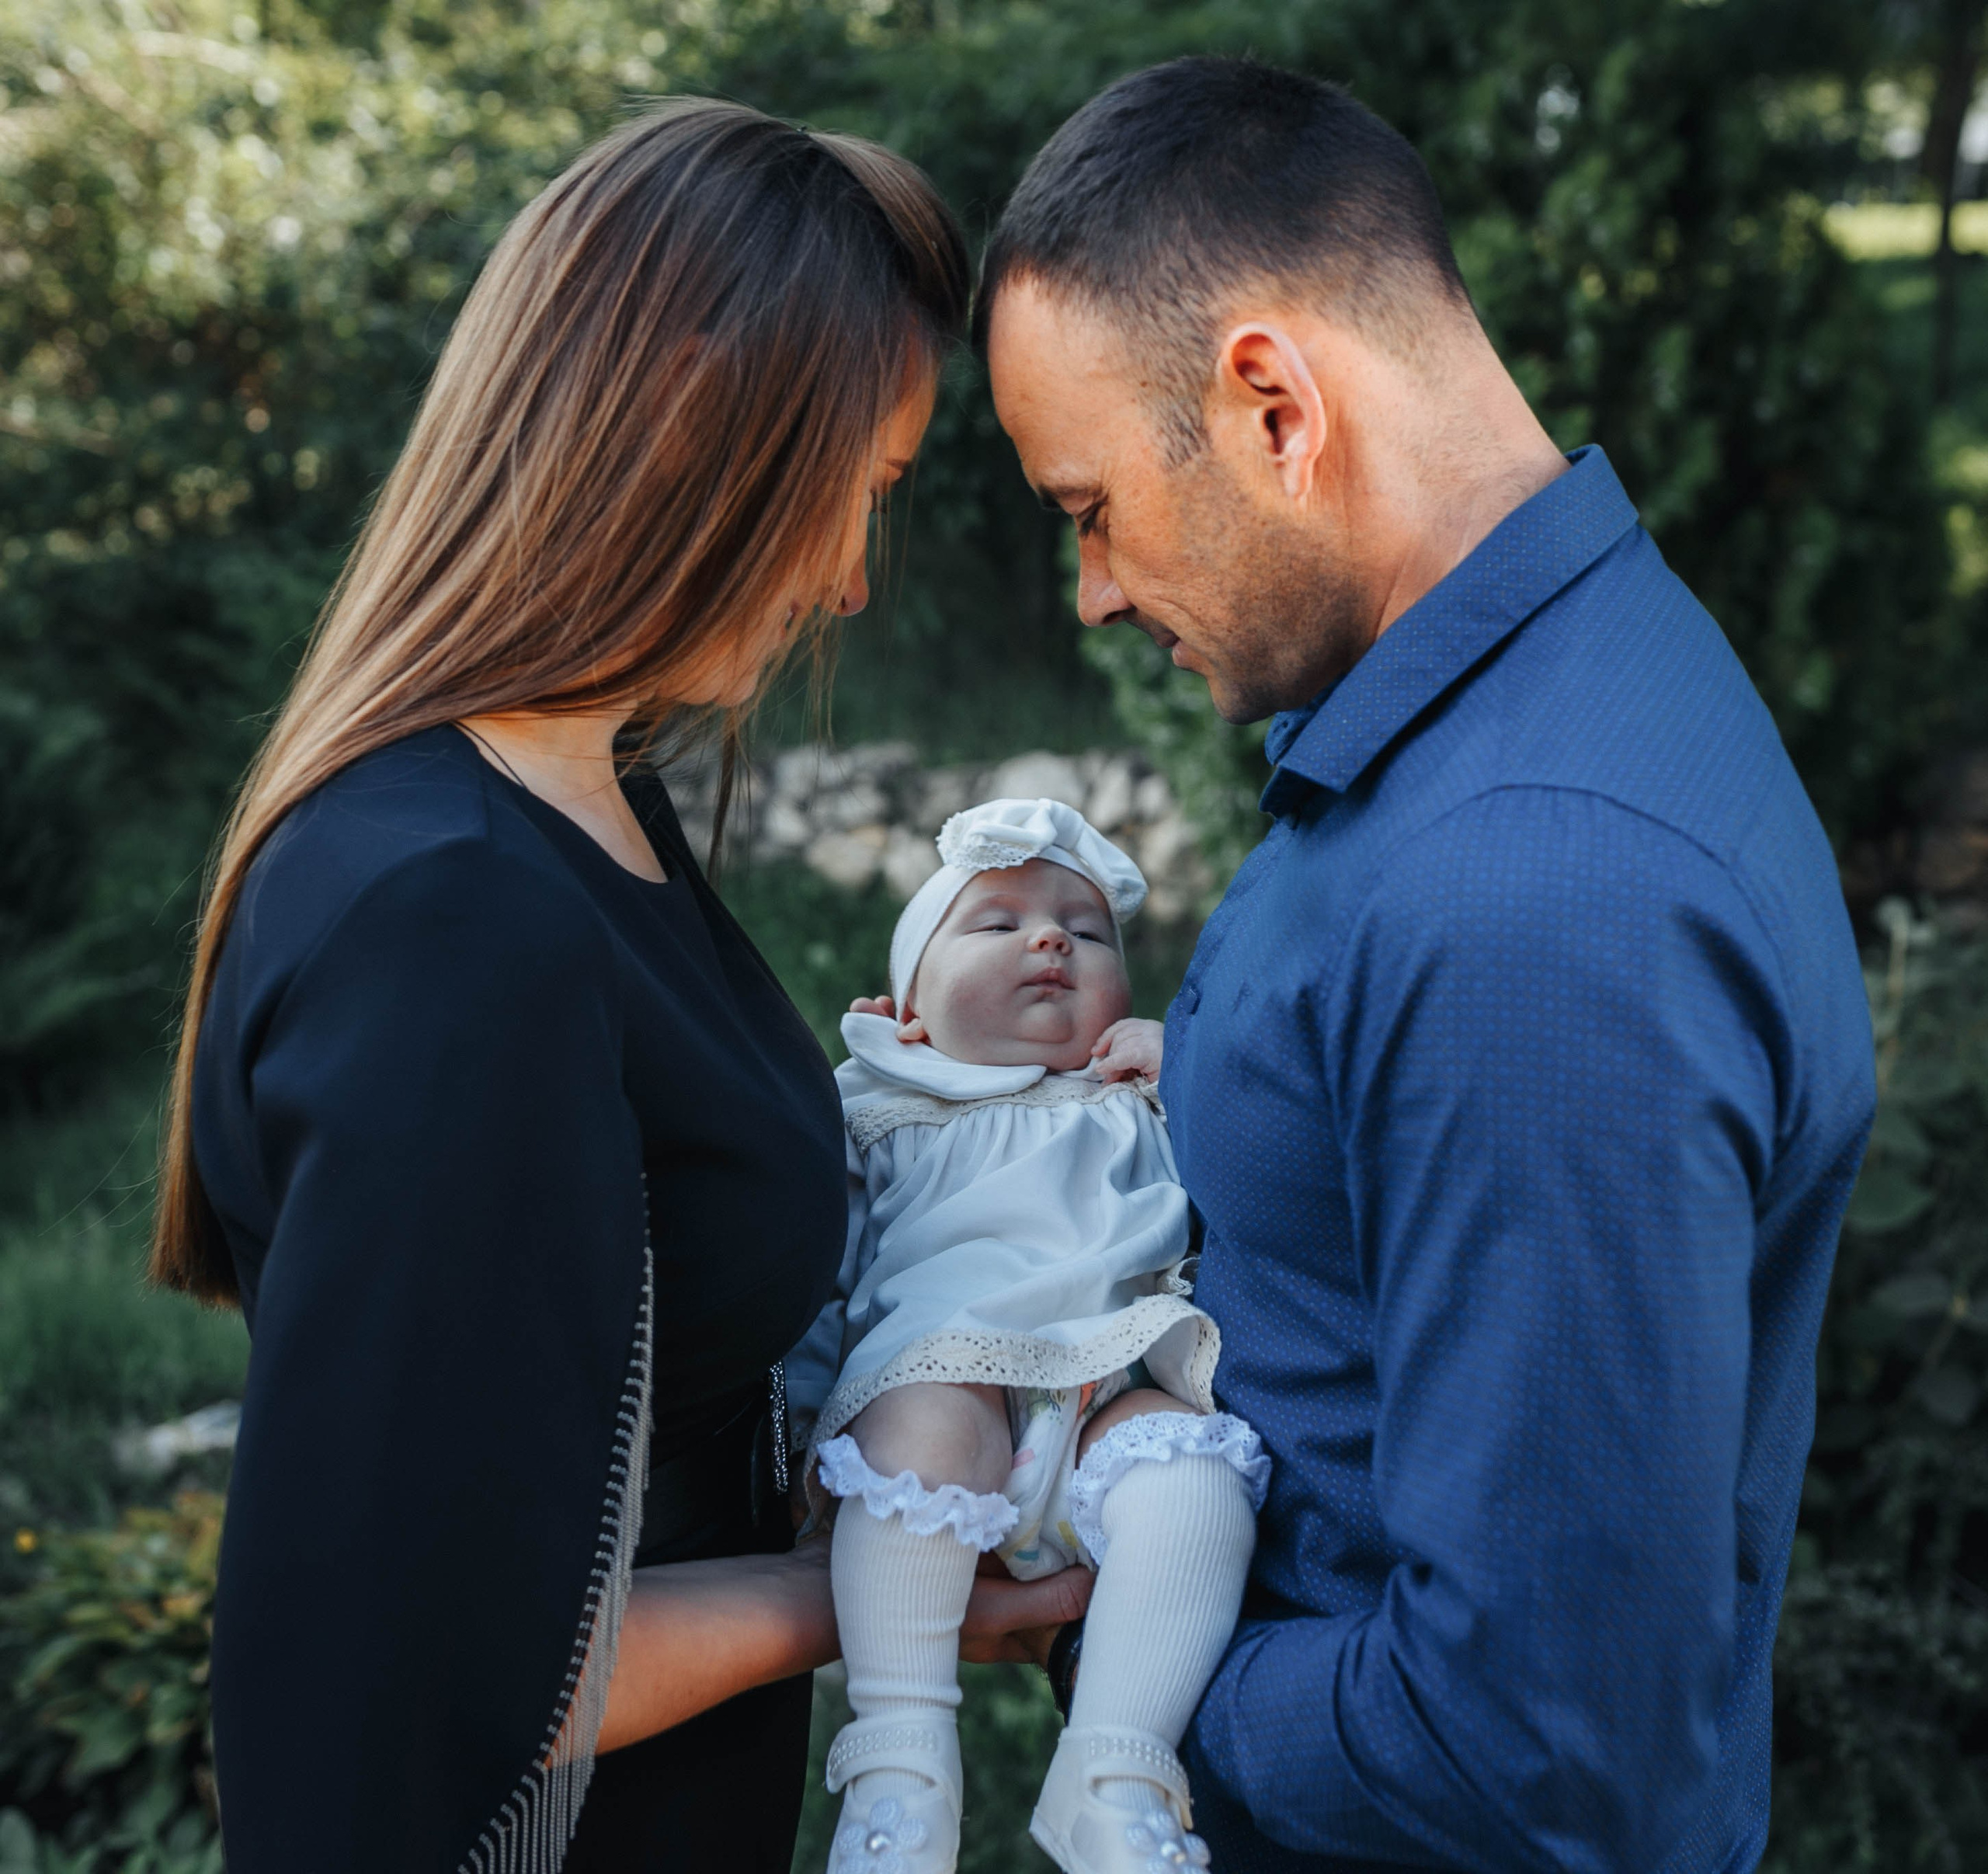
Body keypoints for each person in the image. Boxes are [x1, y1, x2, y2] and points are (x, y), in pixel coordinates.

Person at [149, 99, 1084, 1874]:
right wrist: (879, 1594)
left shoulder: (579, 802)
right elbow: (455, 1674)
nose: (849, 575)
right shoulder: (448, 912)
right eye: (855, 489)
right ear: (688, 417)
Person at [971, 55, 1877, 1874]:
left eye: (1084, 510)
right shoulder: (1516, 700)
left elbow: (1536, 1752)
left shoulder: (1535, 890)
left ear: (1271, 407)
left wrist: (1118, 1658)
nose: (1088, 590)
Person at [787, 797, 1268, 1874]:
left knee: (1196, 1476)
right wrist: (801, 1455)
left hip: (1106, 1400)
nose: (1050, 938)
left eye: (1086, 931)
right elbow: (812, 1279)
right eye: (997, 923)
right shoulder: (878, 1103)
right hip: (938, 1394)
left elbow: (1253, 1182)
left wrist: (1188, 1065)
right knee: (924, 1415)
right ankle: (902, 1769)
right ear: (907, 1009)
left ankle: (1117, 1768)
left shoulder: (1134, 1099)